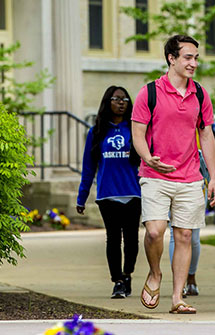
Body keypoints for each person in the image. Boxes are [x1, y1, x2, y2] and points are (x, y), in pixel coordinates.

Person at [131, 34, 215, 315]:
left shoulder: (201, 94)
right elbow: (138, 133)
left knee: (184, 235)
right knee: (155, 232)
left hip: (190, 177)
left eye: (196, 57)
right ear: (172, 58)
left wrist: (214, 176)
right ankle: (155, 273)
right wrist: (148, 158)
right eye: (188, 57)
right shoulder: (150, 93)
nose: (193, 63)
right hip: (155, 175)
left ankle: (177, 298)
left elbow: (206, 135)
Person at [77, 86, 142, 299]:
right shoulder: (96, 132)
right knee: (113, 239)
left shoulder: (136, 129)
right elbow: (88, 167)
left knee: (131, 240)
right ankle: (118, 281)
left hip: (133, 193)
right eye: (116, 99)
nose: (121, 102)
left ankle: (128, 272)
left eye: (125, 99)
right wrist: (82, 197)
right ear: (108, 102)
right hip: (107, 195)